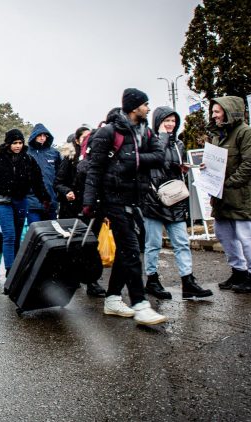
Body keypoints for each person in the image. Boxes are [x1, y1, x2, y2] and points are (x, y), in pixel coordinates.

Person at [82, 88, 168, 325]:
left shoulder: (146, 132)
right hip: (112, 198)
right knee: (130, 248)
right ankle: (140, 303)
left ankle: (112, 298)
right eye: (145, 104)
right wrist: (89, 202)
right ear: (134, 107)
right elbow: (94, 168)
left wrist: (134, 160)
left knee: (127, 249)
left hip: (135, 197)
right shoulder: (107, 133)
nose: (148, 109)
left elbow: (160, 156)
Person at [141, 107, 213, 300]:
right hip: (154, 200)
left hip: (175, 199)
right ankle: (152, 281)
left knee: (182, 242)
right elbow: (155, 163)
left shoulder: (179, 144)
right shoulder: (149, 141)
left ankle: (188, 282)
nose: (170, 124)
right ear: (157, 122)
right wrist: (163, 138)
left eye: (173, 120)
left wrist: (186, 169)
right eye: (166, 120)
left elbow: (170, 169)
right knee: (153, 244)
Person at [208, 96, 251, 293]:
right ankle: (239, 271)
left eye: (217, 111)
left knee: (247, 236)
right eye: (213, 111)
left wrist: (229, 183)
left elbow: (250, 163)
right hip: (221, 197)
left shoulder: (246, 133)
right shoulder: (218, 136)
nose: (214, 115)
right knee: (223, 234)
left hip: (240, 196)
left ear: (229, 111)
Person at [0, 129, 51, 274]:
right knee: (9, 235)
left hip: (20, 200)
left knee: (17, 234)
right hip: (1, 200)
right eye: (15, 143)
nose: (18, 146)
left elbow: (37, 182)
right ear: (8, 143)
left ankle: (16, 269)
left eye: (20, 143)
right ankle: (10, 270)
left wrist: (45, 199)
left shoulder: (28, 160)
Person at [54, 127, 107, 298]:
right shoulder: (70, 159)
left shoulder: (98, 157)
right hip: (73, 208)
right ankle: (73, 276)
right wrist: (67, 191)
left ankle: (92, 281)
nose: (88, 140)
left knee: (92, 244)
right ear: (77, 140)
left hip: (94, 207)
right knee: (76, 244)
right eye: (84, 137)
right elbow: (59, 182)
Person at [26, 123, 61, 222]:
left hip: (51, 201)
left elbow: (60, 175)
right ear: (34, 136)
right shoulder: (26, 153)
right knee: (36, 233)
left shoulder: (54, 153)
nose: (42, 138)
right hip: (32, 201)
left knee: (51, 233)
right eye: (39, 135)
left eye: (44, 135)